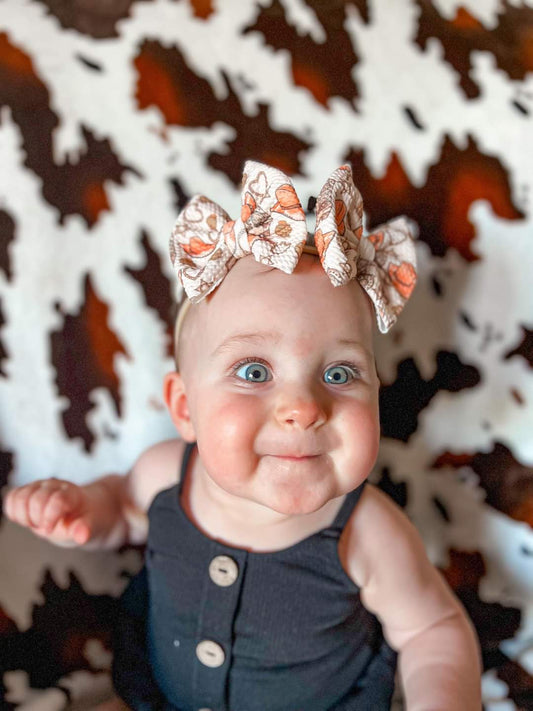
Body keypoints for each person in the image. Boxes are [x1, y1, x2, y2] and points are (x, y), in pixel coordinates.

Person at [4, 162, 482, 710]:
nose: (303, 409)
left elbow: (433, 632)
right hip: (157, 696)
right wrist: (83, 512)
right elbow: (120, 512)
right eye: (254, 372)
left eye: (339, 373)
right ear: (185, 408)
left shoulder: (368, 534)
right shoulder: (165, 475)